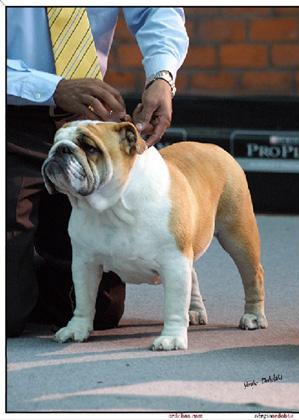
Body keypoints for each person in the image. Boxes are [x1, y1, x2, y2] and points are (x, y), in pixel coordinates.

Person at [6, 7, 189, 337]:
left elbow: (155, 9)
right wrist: (50, 86)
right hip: (11, 117)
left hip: (86, 121)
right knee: (8, 313)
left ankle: (27, 264)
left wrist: (163, 76)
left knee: (103, 310)